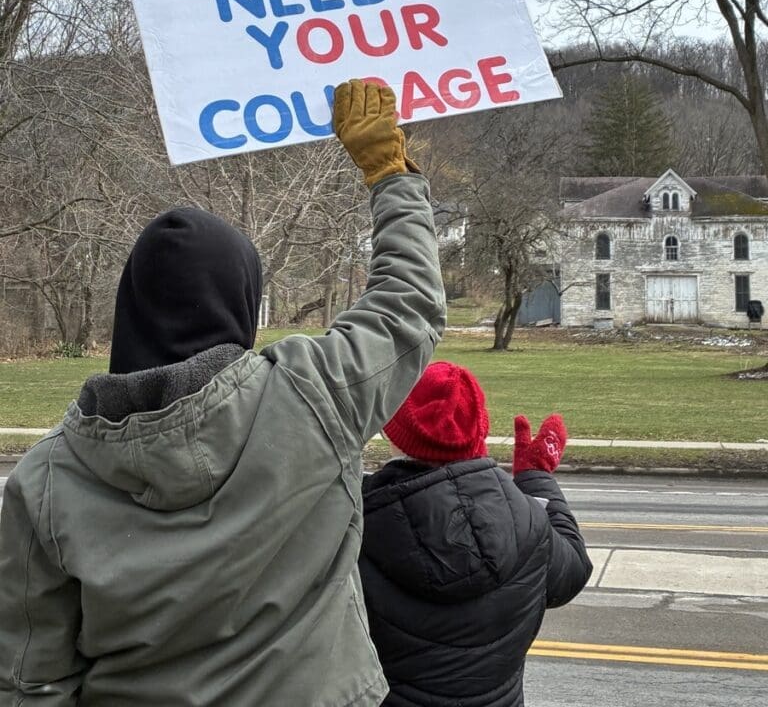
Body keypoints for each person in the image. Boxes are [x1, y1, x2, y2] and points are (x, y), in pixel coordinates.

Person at [0, 80, 446, 707]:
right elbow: (410, 305)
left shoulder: (45, 481)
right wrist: (389, 173)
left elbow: (28, 680)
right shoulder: (312, 393)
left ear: (130, 307)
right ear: (240, 302)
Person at [360, 360, 593, 707]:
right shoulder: (528, 518)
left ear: (393, 433)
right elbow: (573, 571)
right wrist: (536, 477)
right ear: (478, 430)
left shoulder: (357, 523)